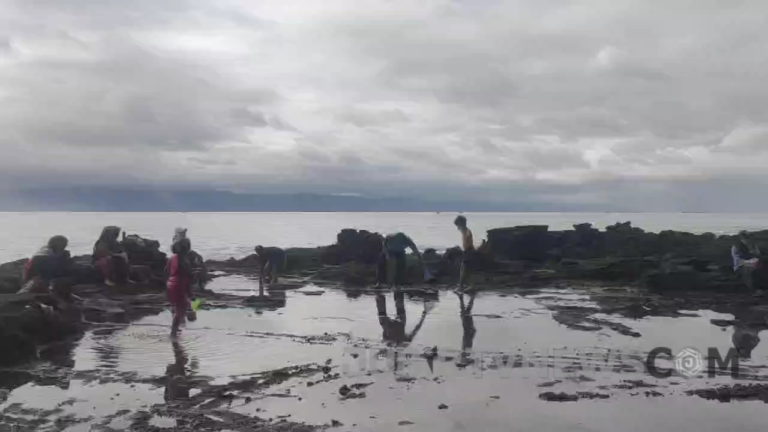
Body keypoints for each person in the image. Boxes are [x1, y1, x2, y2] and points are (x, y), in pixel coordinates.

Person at [166, 238, 194, 336]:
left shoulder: (172, 258)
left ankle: (175, 328)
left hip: (170, 283)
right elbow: (187, 275)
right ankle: (173, 332)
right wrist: (189, 291)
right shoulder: (184, 260)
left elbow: (167, 271)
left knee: (176, 307)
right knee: (181, 309)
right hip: (180, 285)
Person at [454, 215, 478, 293]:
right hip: (467, 251)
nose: (458, 228)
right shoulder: (464, 230)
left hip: (469, 251)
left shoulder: (467, 231)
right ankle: (469, 286)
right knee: (466, 270)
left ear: (461, 224)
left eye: (458, 225)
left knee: (464, 270)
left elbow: (468, 240)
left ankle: (463, 287)